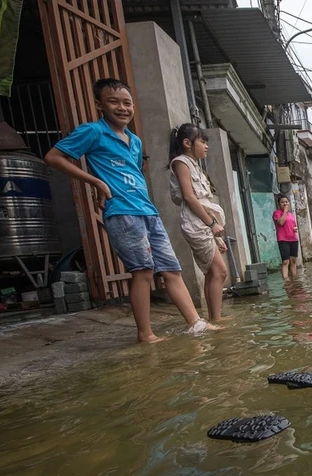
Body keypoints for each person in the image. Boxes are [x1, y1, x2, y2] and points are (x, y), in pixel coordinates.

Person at [44, 78, 219, 343]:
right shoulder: (92, 132)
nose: (122, 108)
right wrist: (96, 182)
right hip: (123, 212)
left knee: (172, 269)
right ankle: (145, 334)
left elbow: (133, 173)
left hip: (147, 211)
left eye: (127, 103)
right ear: (99, 105)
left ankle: (196, 323)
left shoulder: (135, 141)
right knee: (143, 270)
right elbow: (53, 157)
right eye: (113, 102)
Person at [169, 123, 229, 321]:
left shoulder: (194, 165)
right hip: (197, 222)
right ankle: (216, 319)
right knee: (219, 271)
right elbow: (189, 197)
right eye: (202, 141)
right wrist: (212, 223)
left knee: (213, 273)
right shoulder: (181, 162)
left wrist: (213, 229)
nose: (206, 146)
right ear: (187, 143)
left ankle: (214, 318)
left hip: (203, 221)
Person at [273, 195, 299, 279]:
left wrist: (295, 229)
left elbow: (293, 226)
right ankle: (286, 280)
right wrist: (284, 211)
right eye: (282, 202)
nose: (285, 203)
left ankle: (294, 279)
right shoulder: (277, 213)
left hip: (293, 239)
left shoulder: (291, 215)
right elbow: (281, 222)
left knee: (293, 261)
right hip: (283, 240)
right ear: (279, 204)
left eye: (286, 202)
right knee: (285, 261)